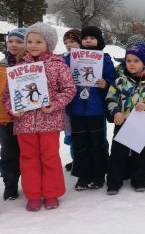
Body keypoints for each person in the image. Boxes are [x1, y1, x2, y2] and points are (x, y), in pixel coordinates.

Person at [4, 23, 76, 211]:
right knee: (28, 159)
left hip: (49, 122)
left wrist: (55, 104)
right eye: (29, 41)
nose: (33, 45)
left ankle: (51, 193)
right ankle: (33, 194)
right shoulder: (18, 67)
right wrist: (14, 109)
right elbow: (7, 95)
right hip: (24, 123)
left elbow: (69, 89)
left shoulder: (58, 66)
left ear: (49, 44)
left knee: (50, 157)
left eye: (38, 41)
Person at [64, 26, 117, 190]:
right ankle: (83, 175)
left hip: (96, 109)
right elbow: (62, 75)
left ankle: (99, 175)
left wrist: (106, 84)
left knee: (97, 143)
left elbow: (114, 80)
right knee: (80, 143)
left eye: (92, 38)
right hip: (76, 109)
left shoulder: (105, 59)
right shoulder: (70, 58)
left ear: (99, 40)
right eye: (85, 38)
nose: (88, 40)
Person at [106, 43, 145, 195]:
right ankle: (114, 182)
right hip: (122, 122)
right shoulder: (119, 81)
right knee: (118, 153)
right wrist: (116, 112)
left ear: (144, 62)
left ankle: (139, 180)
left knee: (140, 154)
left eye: (136, 61)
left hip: (141, 124)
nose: (131, 64)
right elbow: (110, 99)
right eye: (129, 60)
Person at [0, 28, 26, 200]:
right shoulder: (2, 66)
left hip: (26, 118)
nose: (14, 45)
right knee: (9, 153)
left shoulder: (31, 65)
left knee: (27, 152)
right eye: (11, 41)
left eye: (19, 41)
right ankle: (10, 185)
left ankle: (32, 182)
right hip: (6, 119)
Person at [61, 28, 82, 173]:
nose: (69, 45)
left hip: (84, 102)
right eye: (66, 42)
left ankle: (83, 160)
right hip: (68, 103)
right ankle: (76, 160)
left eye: (73, 41)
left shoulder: (90, 58)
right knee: (72, 134)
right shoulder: (62, 60)